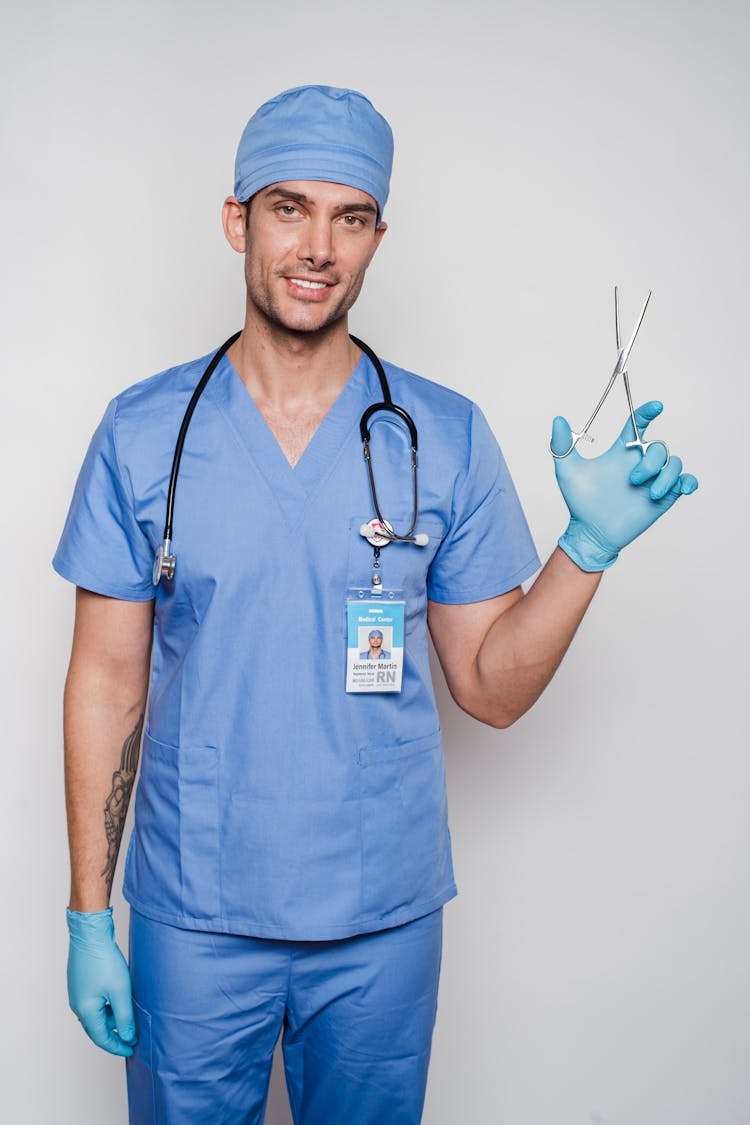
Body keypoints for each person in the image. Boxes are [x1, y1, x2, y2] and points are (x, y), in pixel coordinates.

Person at [55, 85, 697, 1124]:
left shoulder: (440, 434)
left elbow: (489, 689)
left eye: (350, 217)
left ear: (377, 238)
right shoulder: (143, 434)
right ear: (237, 222)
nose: (318, 245)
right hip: (196, 915)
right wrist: (90, 917)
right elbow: (105, 682)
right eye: (288, 208)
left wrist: (585, 553)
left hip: (378, 921)